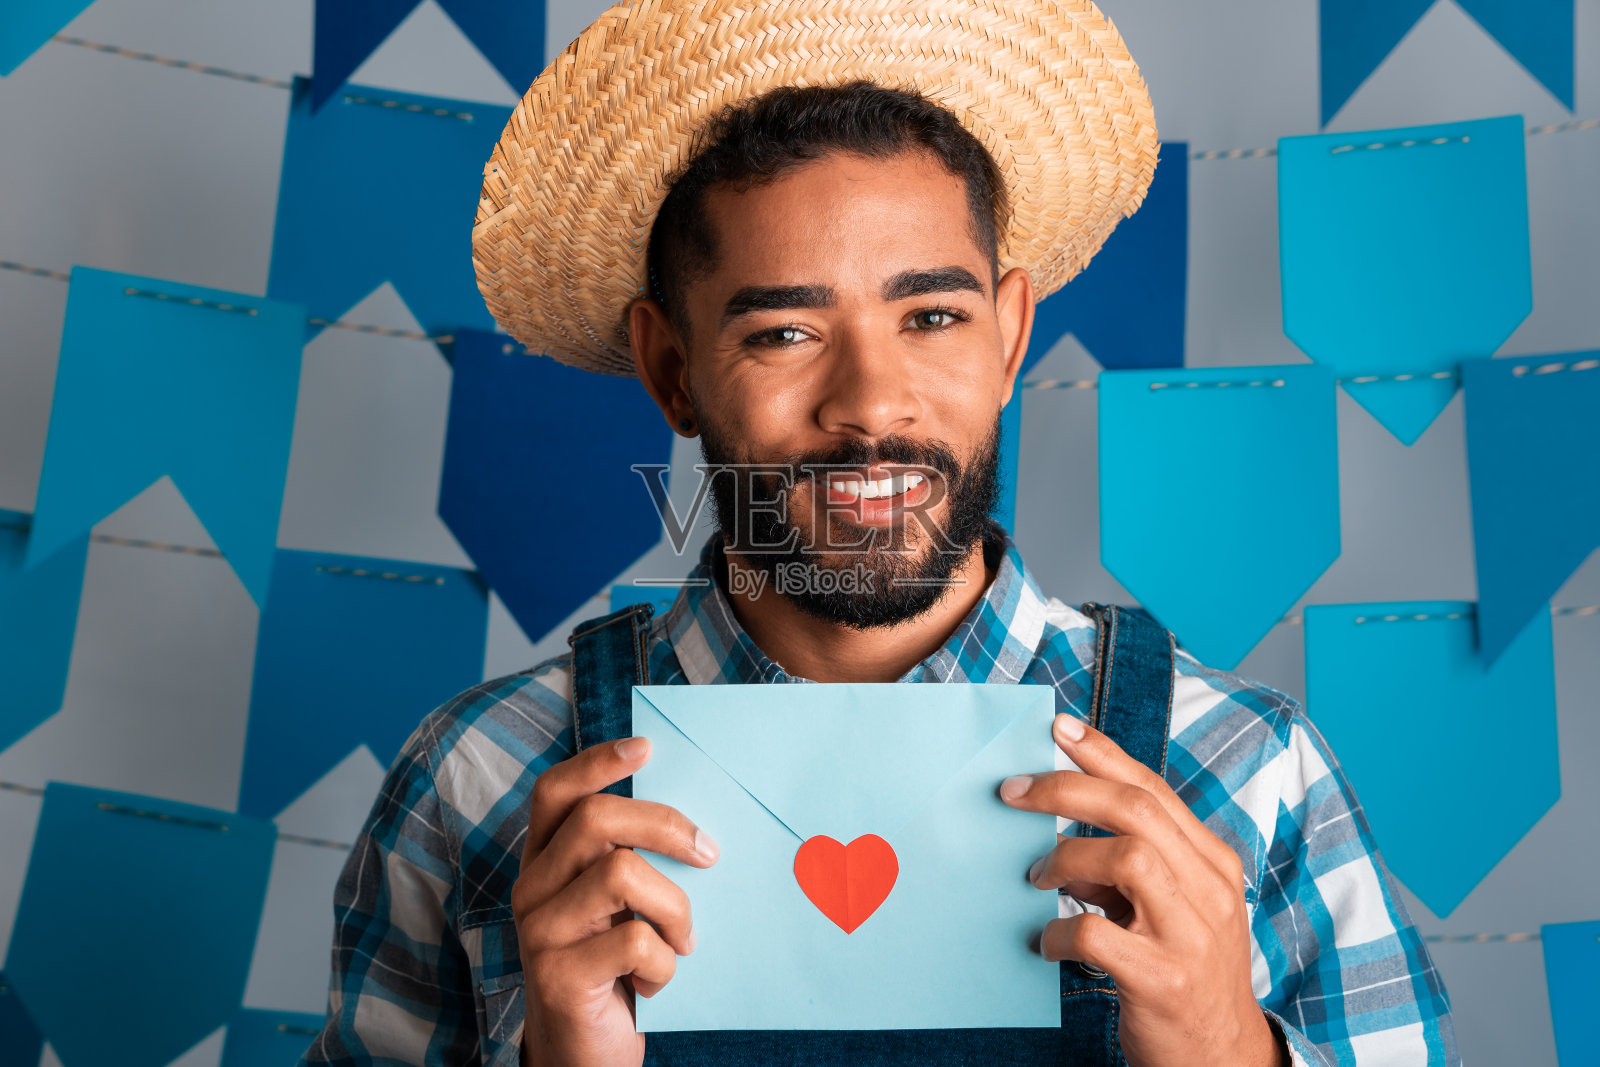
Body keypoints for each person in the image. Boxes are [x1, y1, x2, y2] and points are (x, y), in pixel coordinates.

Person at [299, 0, 1457, 1064]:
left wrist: (1228, 1046)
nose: (871, 401)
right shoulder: (482, 778)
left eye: (932, 316)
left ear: (1008, 340)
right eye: (784, 333)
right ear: (672, 370)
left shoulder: (1245, 775)